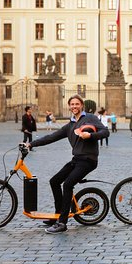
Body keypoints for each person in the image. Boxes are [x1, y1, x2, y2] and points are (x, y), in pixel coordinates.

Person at [26, 95, 109, 234]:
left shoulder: (90, 118)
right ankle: (58, 215)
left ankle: (62, 223)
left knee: (68, 184)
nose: (74, 106)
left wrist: (90, 136)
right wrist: (30, 144)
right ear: (69, 106)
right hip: (76, 159)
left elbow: (105, 132)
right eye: (72, 104)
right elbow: (51, 137)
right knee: (54, 181)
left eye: (77, 104)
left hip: (89, 160)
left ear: (81, 105)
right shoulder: (70, 125)